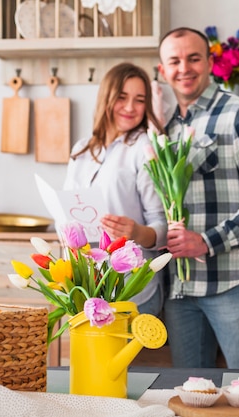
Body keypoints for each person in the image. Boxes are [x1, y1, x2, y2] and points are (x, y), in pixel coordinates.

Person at [157, 27, 239, 369]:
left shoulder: (237, 112)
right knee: (191, 395)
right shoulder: (165, 128)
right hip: (181, 291)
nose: (184, 68)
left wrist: (207, 242)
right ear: (162, 70)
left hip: (235, 283)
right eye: (174, 61)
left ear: (210, 62)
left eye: (193, 58)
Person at [63, 62, 168, 316]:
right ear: (106, 98)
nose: (130, 107)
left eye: (139, 99)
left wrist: (136, 231)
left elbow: (163, 227)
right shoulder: (82, 150)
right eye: (122, 97)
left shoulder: (144, 149)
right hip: (88, 286)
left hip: (132, 289)